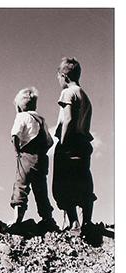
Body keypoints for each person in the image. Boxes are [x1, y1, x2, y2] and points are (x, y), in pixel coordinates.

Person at [53, 57, 96, 235]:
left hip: (70, 143)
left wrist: (62, 142)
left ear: (64, 76)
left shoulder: (68, 93)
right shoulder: (85, 96)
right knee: (83, 181)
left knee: (64, 184)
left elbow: (68, 118)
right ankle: (87, 221)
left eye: (58, 77)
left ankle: (74, 223)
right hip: (83, 143)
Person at [9, 87, 58, 233]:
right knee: (41, 189)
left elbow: (15, 136)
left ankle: (17, 218)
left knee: (21, 185)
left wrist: (17, 151)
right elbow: (49, 141)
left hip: (26, 156)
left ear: (18, 106)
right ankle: (47, 218)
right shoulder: (41, 120)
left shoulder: (21, 117)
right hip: (42, 159)